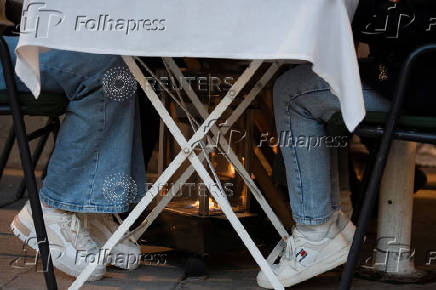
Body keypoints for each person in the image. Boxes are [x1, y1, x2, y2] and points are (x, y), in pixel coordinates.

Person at [257, 0, 436, 288]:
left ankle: (315, 234)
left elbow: (378, 23)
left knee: (293, 91)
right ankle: (330, 224)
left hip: (417, 84)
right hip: (413, 74)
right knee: (320, 77)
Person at [1, 2, 147, 280]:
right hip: (10, 44)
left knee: (124, 62)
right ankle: (52, 208)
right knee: (108, 71)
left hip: (30, 35)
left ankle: (88, 208)